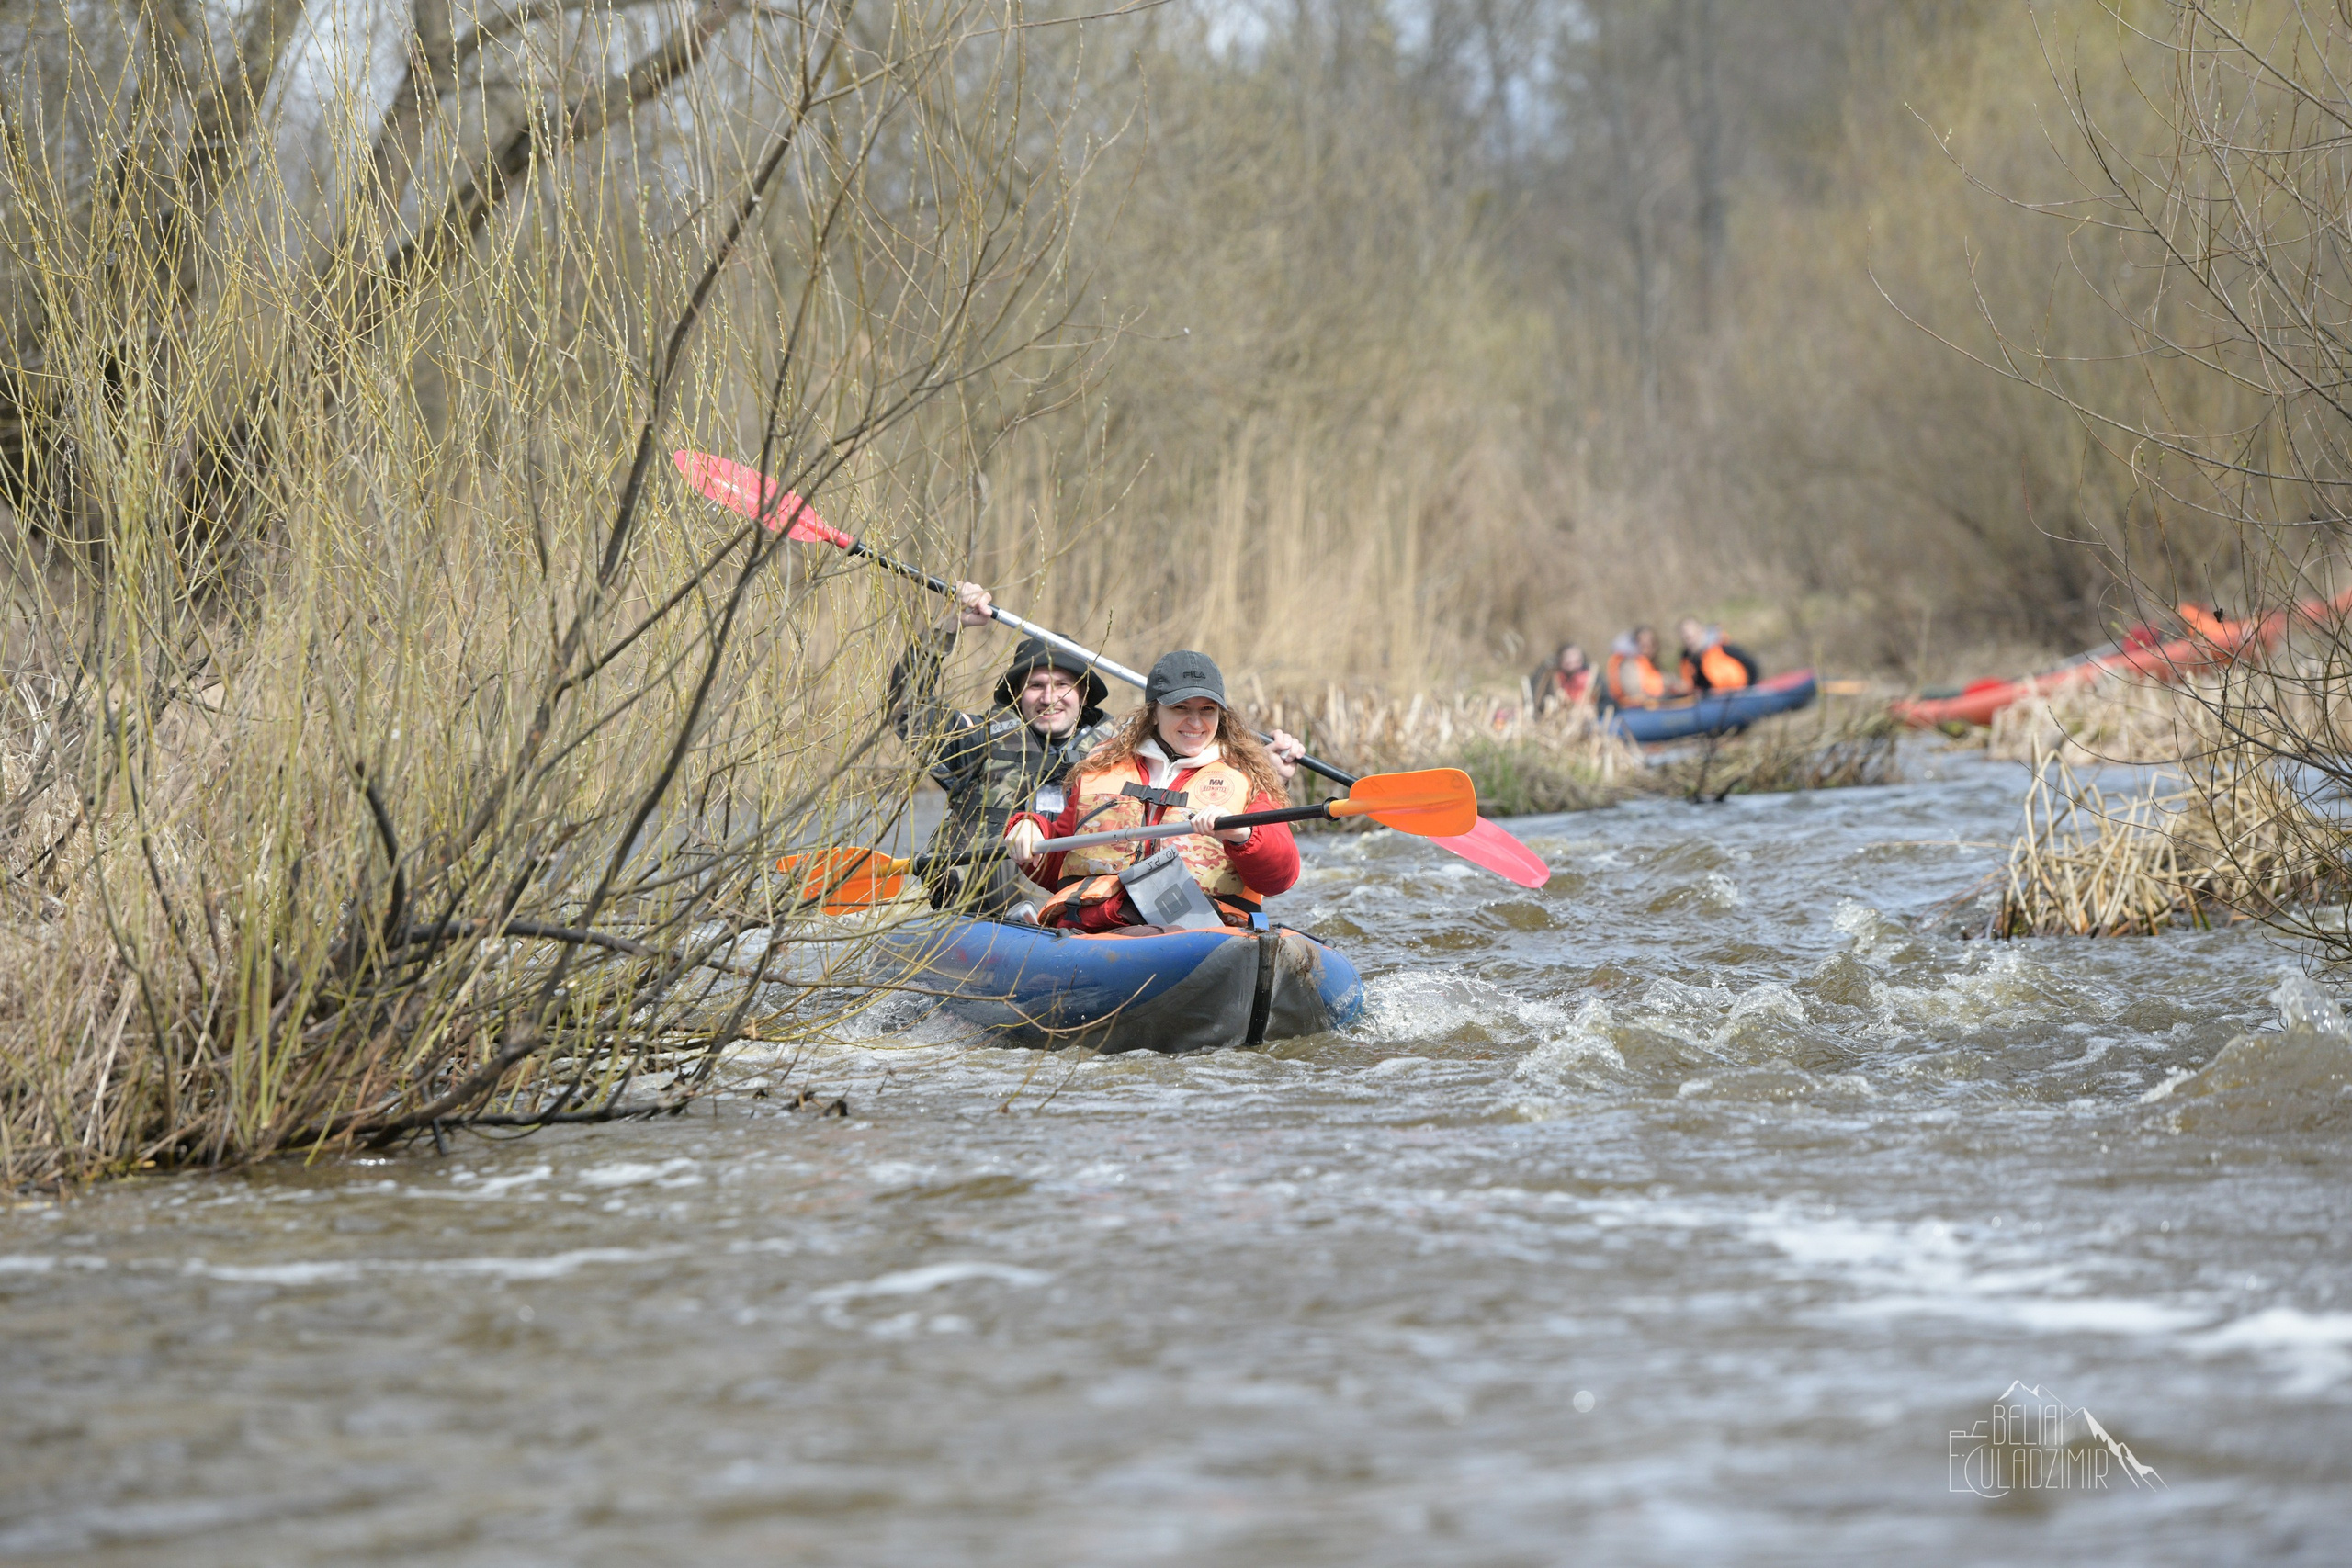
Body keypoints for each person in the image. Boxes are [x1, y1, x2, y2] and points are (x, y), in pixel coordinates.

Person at [1001, 650, 1307, 931]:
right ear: (1154, 712)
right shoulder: (1100, 769)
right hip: (1096, 931)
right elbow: (1059, 865)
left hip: (1203, 936)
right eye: (1180, 708)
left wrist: (1244, 834)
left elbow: (1281, 875)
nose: (1196, 722)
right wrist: (1029, 828)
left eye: (1207, 709)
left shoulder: (1247, 776)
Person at [888, 581, 1119, 912]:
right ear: (1016, 695)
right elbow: (907, 708)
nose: (1049, 698)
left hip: (1080, 895)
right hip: (986, 901)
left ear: (1082, 694)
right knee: (1007, 856)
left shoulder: (1118, 752)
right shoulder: (981, 739)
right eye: (1035, 686)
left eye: (1062, 686)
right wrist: (949, 625)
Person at [1602, 626, 1687, 710]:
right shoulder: (1629, 665)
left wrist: (1675, 685)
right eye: (1643, 644)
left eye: (1651, 643)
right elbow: (1634, 692)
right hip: (1635, 711)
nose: (1648, 648)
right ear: (1635, 644)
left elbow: (1661, 679)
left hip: (1654, 705)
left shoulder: (1650, 663)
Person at [1675, 618, 1761, 693]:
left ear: (1701, 631)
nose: (1691, 642)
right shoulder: (1687, 658)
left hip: (1736, 695)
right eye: (1686, 638)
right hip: (1708, 701)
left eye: (1692, 637)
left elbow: (1751, 665)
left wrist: (1750, 688)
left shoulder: (1723, 648)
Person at [1529, 641, 1593, 715]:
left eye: (1575, 657)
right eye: (1567, 657)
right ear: (1560, 659)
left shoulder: (1590, 677)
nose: (1571, 660)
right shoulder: (1551, 675)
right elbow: (1535, 695)